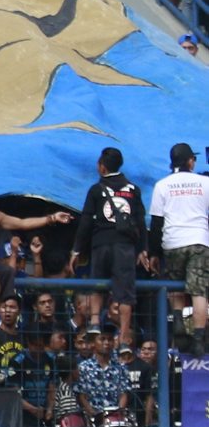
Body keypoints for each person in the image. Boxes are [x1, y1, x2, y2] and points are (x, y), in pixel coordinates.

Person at [69, 146, 149, 347]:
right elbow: (141, 222)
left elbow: (86, 221)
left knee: (97, 284)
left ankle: (95, 321)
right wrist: (143, 250)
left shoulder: (96, 190)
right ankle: (123, 335)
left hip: (101, 245)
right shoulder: (133, 190)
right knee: (125, 293)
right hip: (125, 248)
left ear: (102, 167)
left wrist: (76, 250)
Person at [152, 142, 209, 351]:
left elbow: (157, 223)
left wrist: (154, 253)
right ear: (190, 161)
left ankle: (177, 320)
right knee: (199, 291)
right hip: (199, 241)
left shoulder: (162, 185)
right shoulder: (205, 183)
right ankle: (198, 337)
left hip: (173, 242)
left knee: (175, 283)